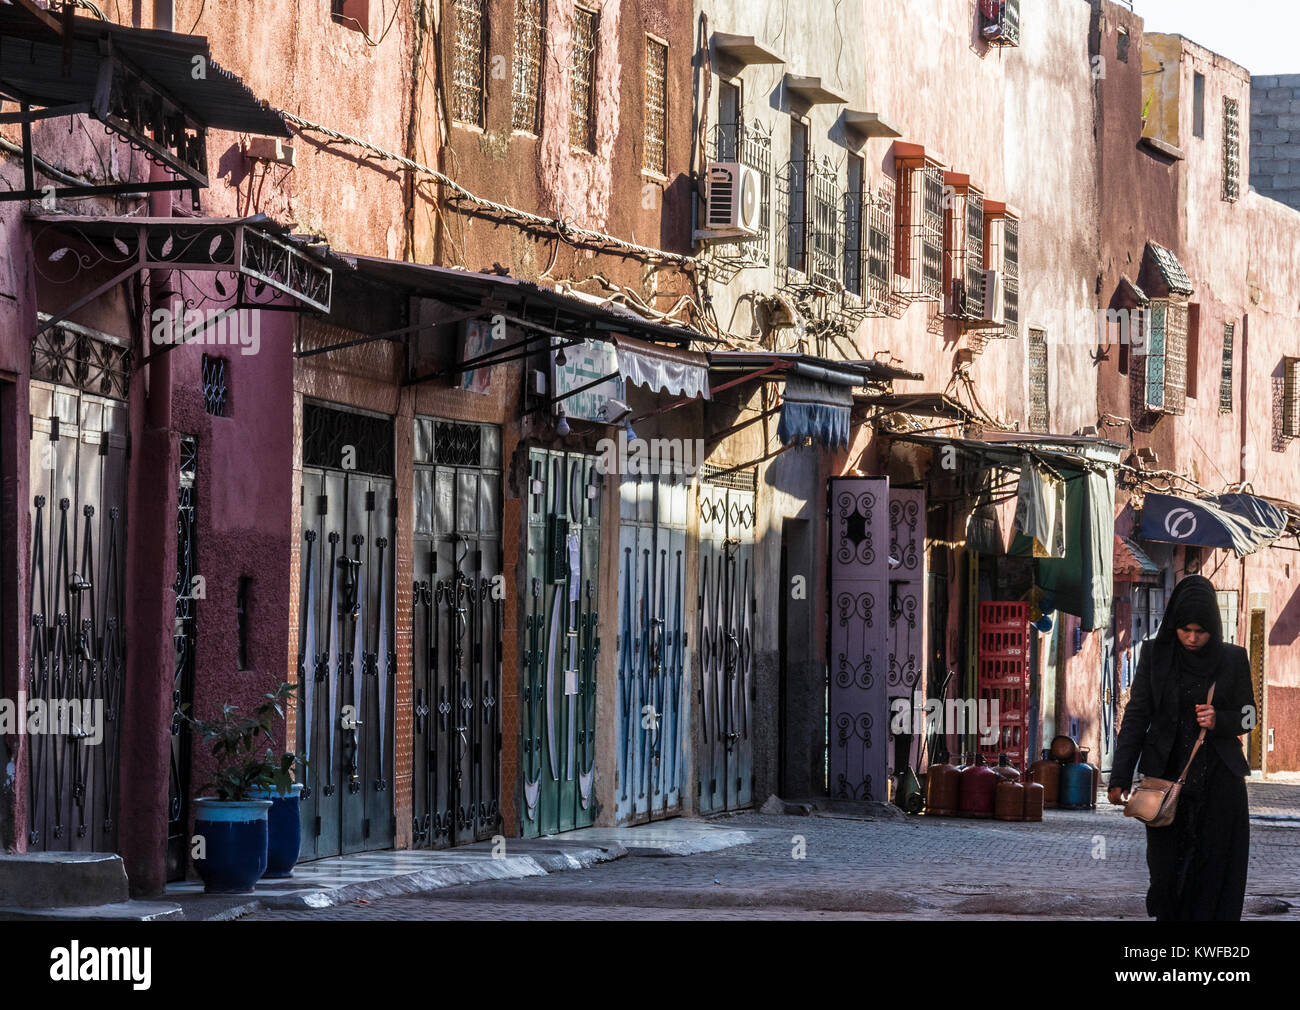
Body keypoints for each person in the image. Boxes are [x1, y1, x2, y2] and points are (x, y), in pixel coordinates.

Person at [1107, 573, 1255, 921]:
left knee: (1213, 872)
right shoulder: (1155, 655)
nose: (1191, 638)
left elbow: (1250, 717)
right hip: (1164, 783)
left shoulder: (1233, 659)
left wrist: (1222, 720)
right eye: (1185, 629)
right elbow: (1137, 714)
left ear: (1213, 629)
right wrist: (1120, 775)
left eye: (1200, 632)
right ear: (1173, 624)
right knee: (1165, 875)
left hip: (1220, 786)